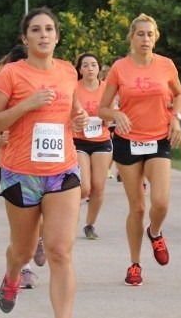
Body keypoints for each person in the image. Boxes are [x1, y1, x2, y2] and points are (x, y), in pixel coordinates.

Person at [0, 7, 88, 316]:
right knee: (24, 250)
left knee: (59, 251)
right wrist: (27, 105)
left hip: (62, 170)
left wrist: (78, 118)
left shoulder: (68, 71)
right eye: (36, 30)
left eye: (49, 29)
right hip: (20, 173)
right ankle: (13, 274)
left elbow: (73, 109)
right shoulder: (11, 74)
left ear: (57, 36)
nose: (43, 35)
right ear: (25, 38)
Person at [98, 13, 181, 286]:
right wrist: (115, 115)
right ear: (132, 37)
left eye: (150, 34)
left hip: (158, 138)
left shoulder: (166, 65)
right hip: (127, 141)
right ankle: (135, 264)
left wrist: (177, 118)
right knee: (137, 208)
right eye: (140, 34)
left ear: (155, 37)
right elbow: (102, 107)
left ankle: (155, 232)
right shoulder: (119, 68)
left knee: (160, 202)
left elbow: (179, 94)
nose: (145, 39)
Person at [73, 52, 113, 240]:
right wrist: (76, 121)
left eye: (94, 65)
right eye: (86, 65)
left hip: (101, 140)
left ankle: (90, 225)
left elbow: (114, 112)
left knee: (98, 187)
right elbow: (66, 111)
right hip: (79, 140)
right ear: (80, 69)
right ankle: (71, 215)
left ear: (99, 68)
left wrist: (108, 117)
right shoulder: (74, 87)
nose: (90, 68)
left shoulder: (107, 88)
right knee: (85, 187)